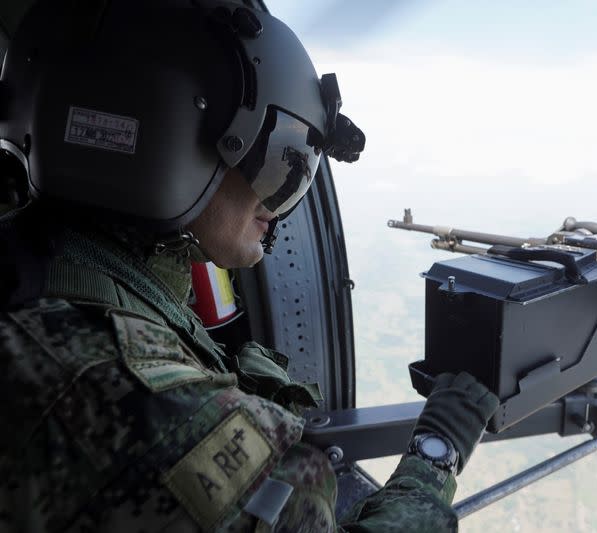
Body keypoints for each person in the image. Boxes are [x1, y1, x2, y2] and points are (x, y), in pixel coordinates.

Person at [0, 1, 500, 531]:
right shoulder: (128, 394)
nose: (281, 198)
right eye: (277, 158)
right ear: (164, 136)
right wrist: (438, 450)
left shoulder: (49, 267)